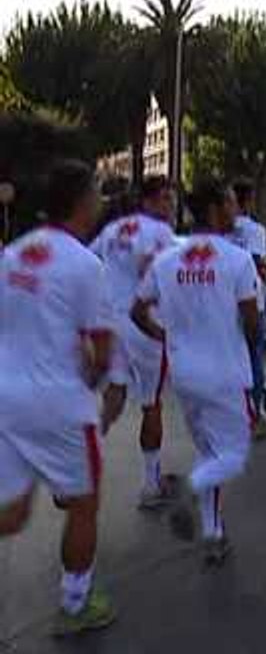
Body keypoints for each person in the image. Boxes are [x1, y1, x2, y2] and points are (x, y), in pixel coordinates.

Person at [0, 160, 116, 635]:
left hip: (6, 400)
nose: (101, 202)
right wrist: (89, 381)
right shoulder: (86, 264)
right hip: (60, 405)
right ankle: (76, 602)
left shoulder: (13, 254)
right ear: (82, 201)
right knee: (84, 503)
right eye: (97, 193)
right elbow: (102, 351)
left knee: (11, 511)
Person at [131, 178, 258, 566]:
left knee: (209, 450)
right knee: (234, 452)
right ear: (217, 208)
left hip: (184, 374)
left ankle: (213, 532)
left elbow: (137, 309)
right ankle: (190, 488)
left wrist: (163, 333)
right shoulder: (237, 259)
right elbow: (253, 323)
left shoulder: (167, 259)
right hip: (224, 373)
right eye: (233, 201)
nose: (237, 208)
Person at [90, 176, 178, 510]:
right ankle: (151, 483)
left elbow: (90, 260)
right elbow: (160, 271)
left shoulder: (113, 230)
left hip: (111, 320)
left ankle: (81, 459)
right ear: (149, 201)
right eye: (166, 199)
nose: (171, 206)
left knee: (115, 392)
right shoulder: (161, 234)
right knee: (151, 402)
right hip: (144, 325)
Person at [230, 180, 266, 438]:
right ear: (248, 201)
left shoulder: (222, 231)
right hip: (250, 297)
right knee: (254, 356)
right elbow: (257, 263)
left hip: (224, 299)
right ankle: (254, 413)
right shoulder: (255, 230)